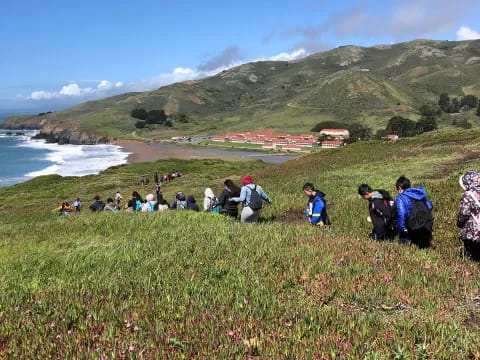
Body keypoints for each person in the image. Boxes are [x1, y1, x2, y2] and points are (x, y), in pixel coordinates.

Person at [395, 176, 433, 248]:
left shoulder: (401, 197)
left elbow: (402, 214)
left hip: (412, 225)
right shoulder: (419, 193)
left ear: (400, 188)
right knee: (423, 244)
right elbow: (430, 206)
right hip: (425, 223)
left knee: (403, 241)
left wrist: (402, 227)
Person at [457, 170, 480, 261]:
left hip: (474, 233)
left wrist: (459, 223)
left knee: (472, 257)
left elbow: (464, 214)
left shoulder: (469, 195)